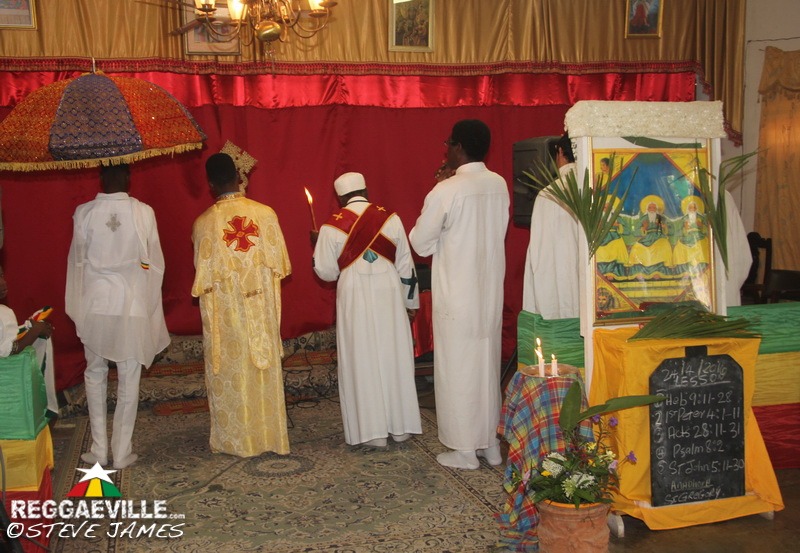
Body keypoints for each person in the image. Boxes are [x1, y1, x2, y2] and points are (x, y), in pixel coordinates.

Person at [409, 119, 509, 470]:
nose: (445, 148)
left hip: (458, 295)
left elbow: (419, 241)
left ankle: (465, 450)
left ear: (458, 147)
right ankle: (490, 445)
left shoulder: (446, 190)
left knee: (458, 369)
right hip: (489, 293)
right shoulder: (498, 184)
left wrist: (439, 189)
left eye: (448, 143)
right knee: (485, 366)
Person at [66, 163, 170, 469]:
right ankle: (121, 452)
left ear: (100, 176)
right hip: (132, 305)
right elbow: (154, 264)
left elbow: (77, 264)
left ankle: (99, 450)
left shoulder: (84, 213)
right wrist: (149, 302)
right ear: (128, 176)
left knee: (95, 373)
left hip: (96, 305)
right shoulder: (143, 212)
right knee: (128, 377)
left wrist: (77, 306)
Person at [192, 153, 292, 457]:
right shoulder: (266, 215)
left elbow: (202, 278)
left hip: (227, 317)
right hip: (260, 309)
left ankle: (235, 441)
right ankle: (270, 438)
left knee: (234, 371)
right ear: (239, 175)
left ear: (210, 183)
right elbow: (283, 266)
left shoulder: (203, 224)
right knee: (261, 368)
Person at [312, 172, 422, 447]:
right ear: (366, 191)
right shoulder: (391, 218)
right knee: (392, 355)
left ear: (340, 198)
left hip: (354, 297)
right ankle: (400, 428)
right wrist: (411, 305)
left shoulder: (330, 226)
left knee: (361, 358)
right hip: (389, 295)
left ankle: (371, 434)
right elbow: (406, 266)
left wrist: (317, 248)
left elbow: (325, 272)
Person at [522, 133, 581, 319]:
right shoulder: (600, 187)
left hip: (558, 291)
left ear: (560, 152)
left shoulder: (549, 194)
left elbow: (539, 253)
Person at [0, 265, 57, 416]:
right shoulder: (4, 314)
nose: (3, 282)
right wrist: (34, 331)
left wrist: (28, 327)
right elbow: (9, 351)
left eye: (2, 276)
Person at [628, 195, 673, 271]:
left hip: (659, 237)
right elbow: (635, 232)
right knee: (636, 247)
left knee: (665, 244)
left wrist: (664, 227)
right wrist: (644, 228)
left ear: (657, 209)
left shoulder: (661, 218)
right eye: (650, 208)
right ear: (647, 209)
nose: (652, 209)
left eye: (654, 208)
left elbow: (671, 230)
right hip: (646, 238)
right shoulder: (643, 219)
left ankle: (662, 267)